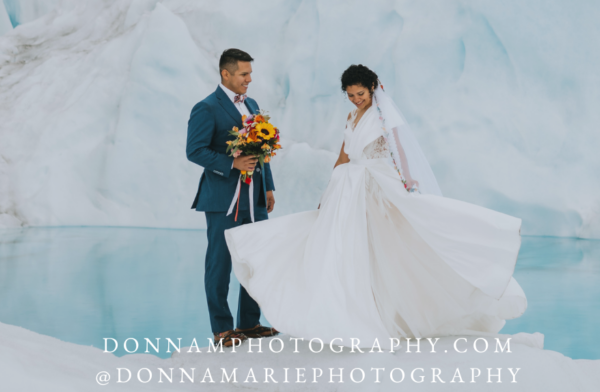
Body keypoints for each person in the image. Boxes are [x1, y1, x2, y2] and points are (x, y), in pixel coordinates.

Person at [225, 64, 527, 343]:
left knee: (386, 247)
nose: (356, 100)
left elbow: (401, 151)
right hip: (348, 184)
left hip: (376, 182)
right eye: (351, 95)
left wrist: (410, 183)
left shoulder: (385, 115)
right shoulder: (350, 116)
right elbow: (344, 154)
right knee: (341, 247)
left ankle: (390, 313)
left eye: (361, 94)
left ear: (373, 89)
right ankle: (343, 311)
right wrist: (329, 188)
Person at [186, 48, 278, 348]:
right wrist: (231, 164)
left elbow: (262, 150)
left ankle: (250, 323)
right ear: (226, 74)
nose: (249, 80)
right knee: (220, 263)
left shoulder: (252, 104)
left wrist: (268, 187)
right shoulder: (206, 107)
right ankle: (223, 329)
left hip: (255, 197)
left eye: (250, 73)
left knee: (256, 260)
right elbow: (194, 150)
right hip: (223, 198)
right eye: (243, 74)